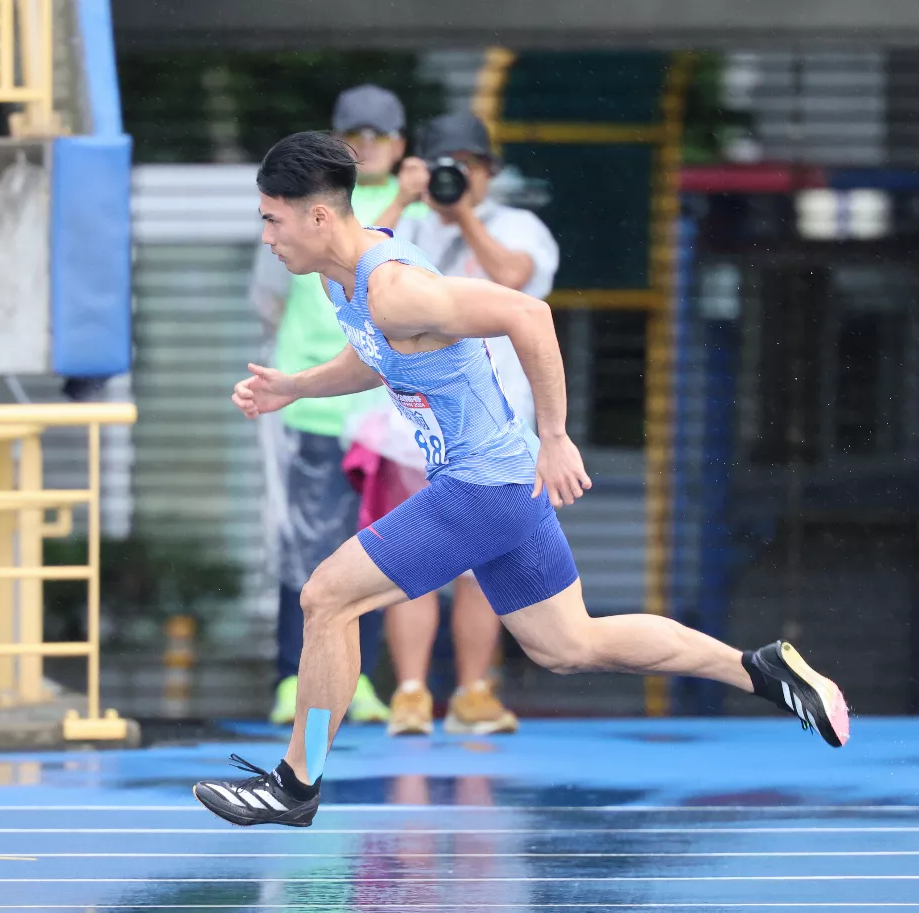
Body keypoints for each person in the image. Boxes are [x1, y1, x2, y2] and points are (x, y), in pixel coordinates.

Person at [193, 131, 850, 828]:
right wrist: (296, 385)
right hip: (503, 488)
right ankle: (761, 669)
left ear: (318, 216)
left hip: (481, 487)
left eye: (272, 220)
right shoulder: (343, 281)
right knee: (569, 645)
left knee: (327, 597)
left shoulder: (395, 287)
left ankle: (295, 784)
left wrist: (557, 438)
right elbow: (376, 353)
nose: (266, 237)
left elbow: (527, 313)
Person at [346, 112, 559, 736]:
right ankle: (410, 693)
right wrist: (403, 196)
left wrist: (462, 213)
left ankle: (471, 691)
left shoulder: (519, 226)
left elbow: (516, 280)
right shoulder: (402, 225)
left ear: (490, 171)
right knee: (408, 564)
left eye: (469, 166)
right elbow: (353, 268)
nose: (457, 177)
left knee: (478, 570)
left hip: (494, 430)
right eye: (446, 166)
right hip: (412, 431)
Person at [251, 85, 428, 726]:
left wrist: (411, 197)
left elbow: (398, 264)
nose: (368, 146)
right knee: (303, 544)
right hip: (313, 409)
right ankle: (290, 677)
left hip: (385, 415)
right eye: (355, 135)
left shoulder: (419, 206)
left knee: (376, 549)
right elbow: (268, 297)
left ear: (402, 143)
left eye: (380, 136)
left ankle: (360, 681)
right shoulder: (303, 202)